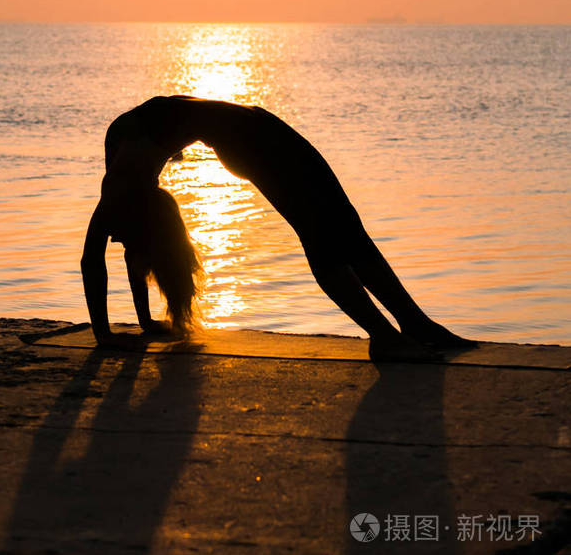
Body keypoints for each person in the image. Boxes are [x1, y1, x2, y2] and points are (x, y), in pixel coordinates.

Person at [81, 95, 475, 361]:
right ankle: (392, 335)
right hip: (253, 133)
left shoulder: (124, 191)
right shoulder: (130, 187)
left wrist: (116, 331)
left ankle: (409, 327)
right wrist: (128, 327)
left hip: (253, 136)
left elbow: (102, 255)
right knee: (331, 231)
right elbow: (120, 251)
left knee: (334, 229)